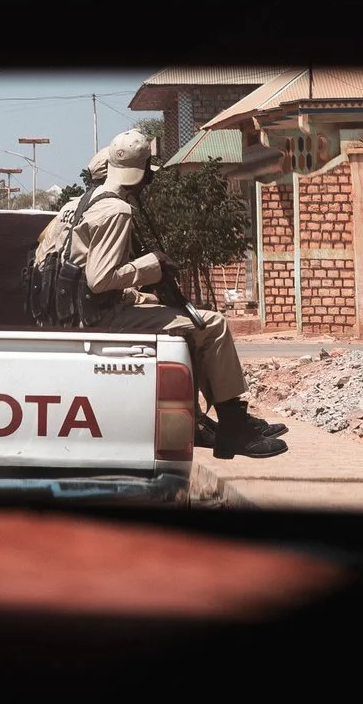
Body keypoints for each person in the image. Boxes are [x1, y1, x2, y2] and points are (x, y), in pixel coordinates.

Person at [33, 131, 287, 459]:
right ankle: (234, 428)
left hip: (66, 316)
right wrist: (153, 265)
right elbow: (100, 279)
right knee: (213, 325)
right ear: (140, 176)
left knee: (177, 316)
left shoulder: (73, 206)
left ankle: (201, 420)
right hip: (95, 319)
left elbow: (59, 263)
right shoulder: (116, 212)